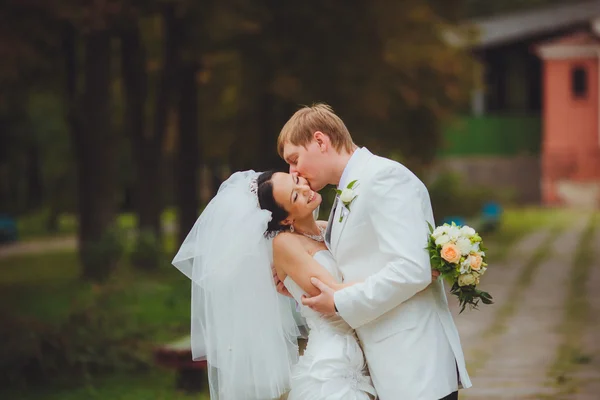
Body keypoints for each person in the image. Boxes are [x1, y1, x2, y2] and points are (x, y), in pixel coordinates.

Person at [276, 103, 472, 400]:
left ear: (320, 141)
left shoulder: (384, 178)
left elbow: (411, 269)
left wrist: (339, 301)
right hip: (386, 364)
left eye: (294, 159)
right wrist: (297, 280)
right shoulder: (348, 190)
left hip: (413, 362)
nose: (294, 172)